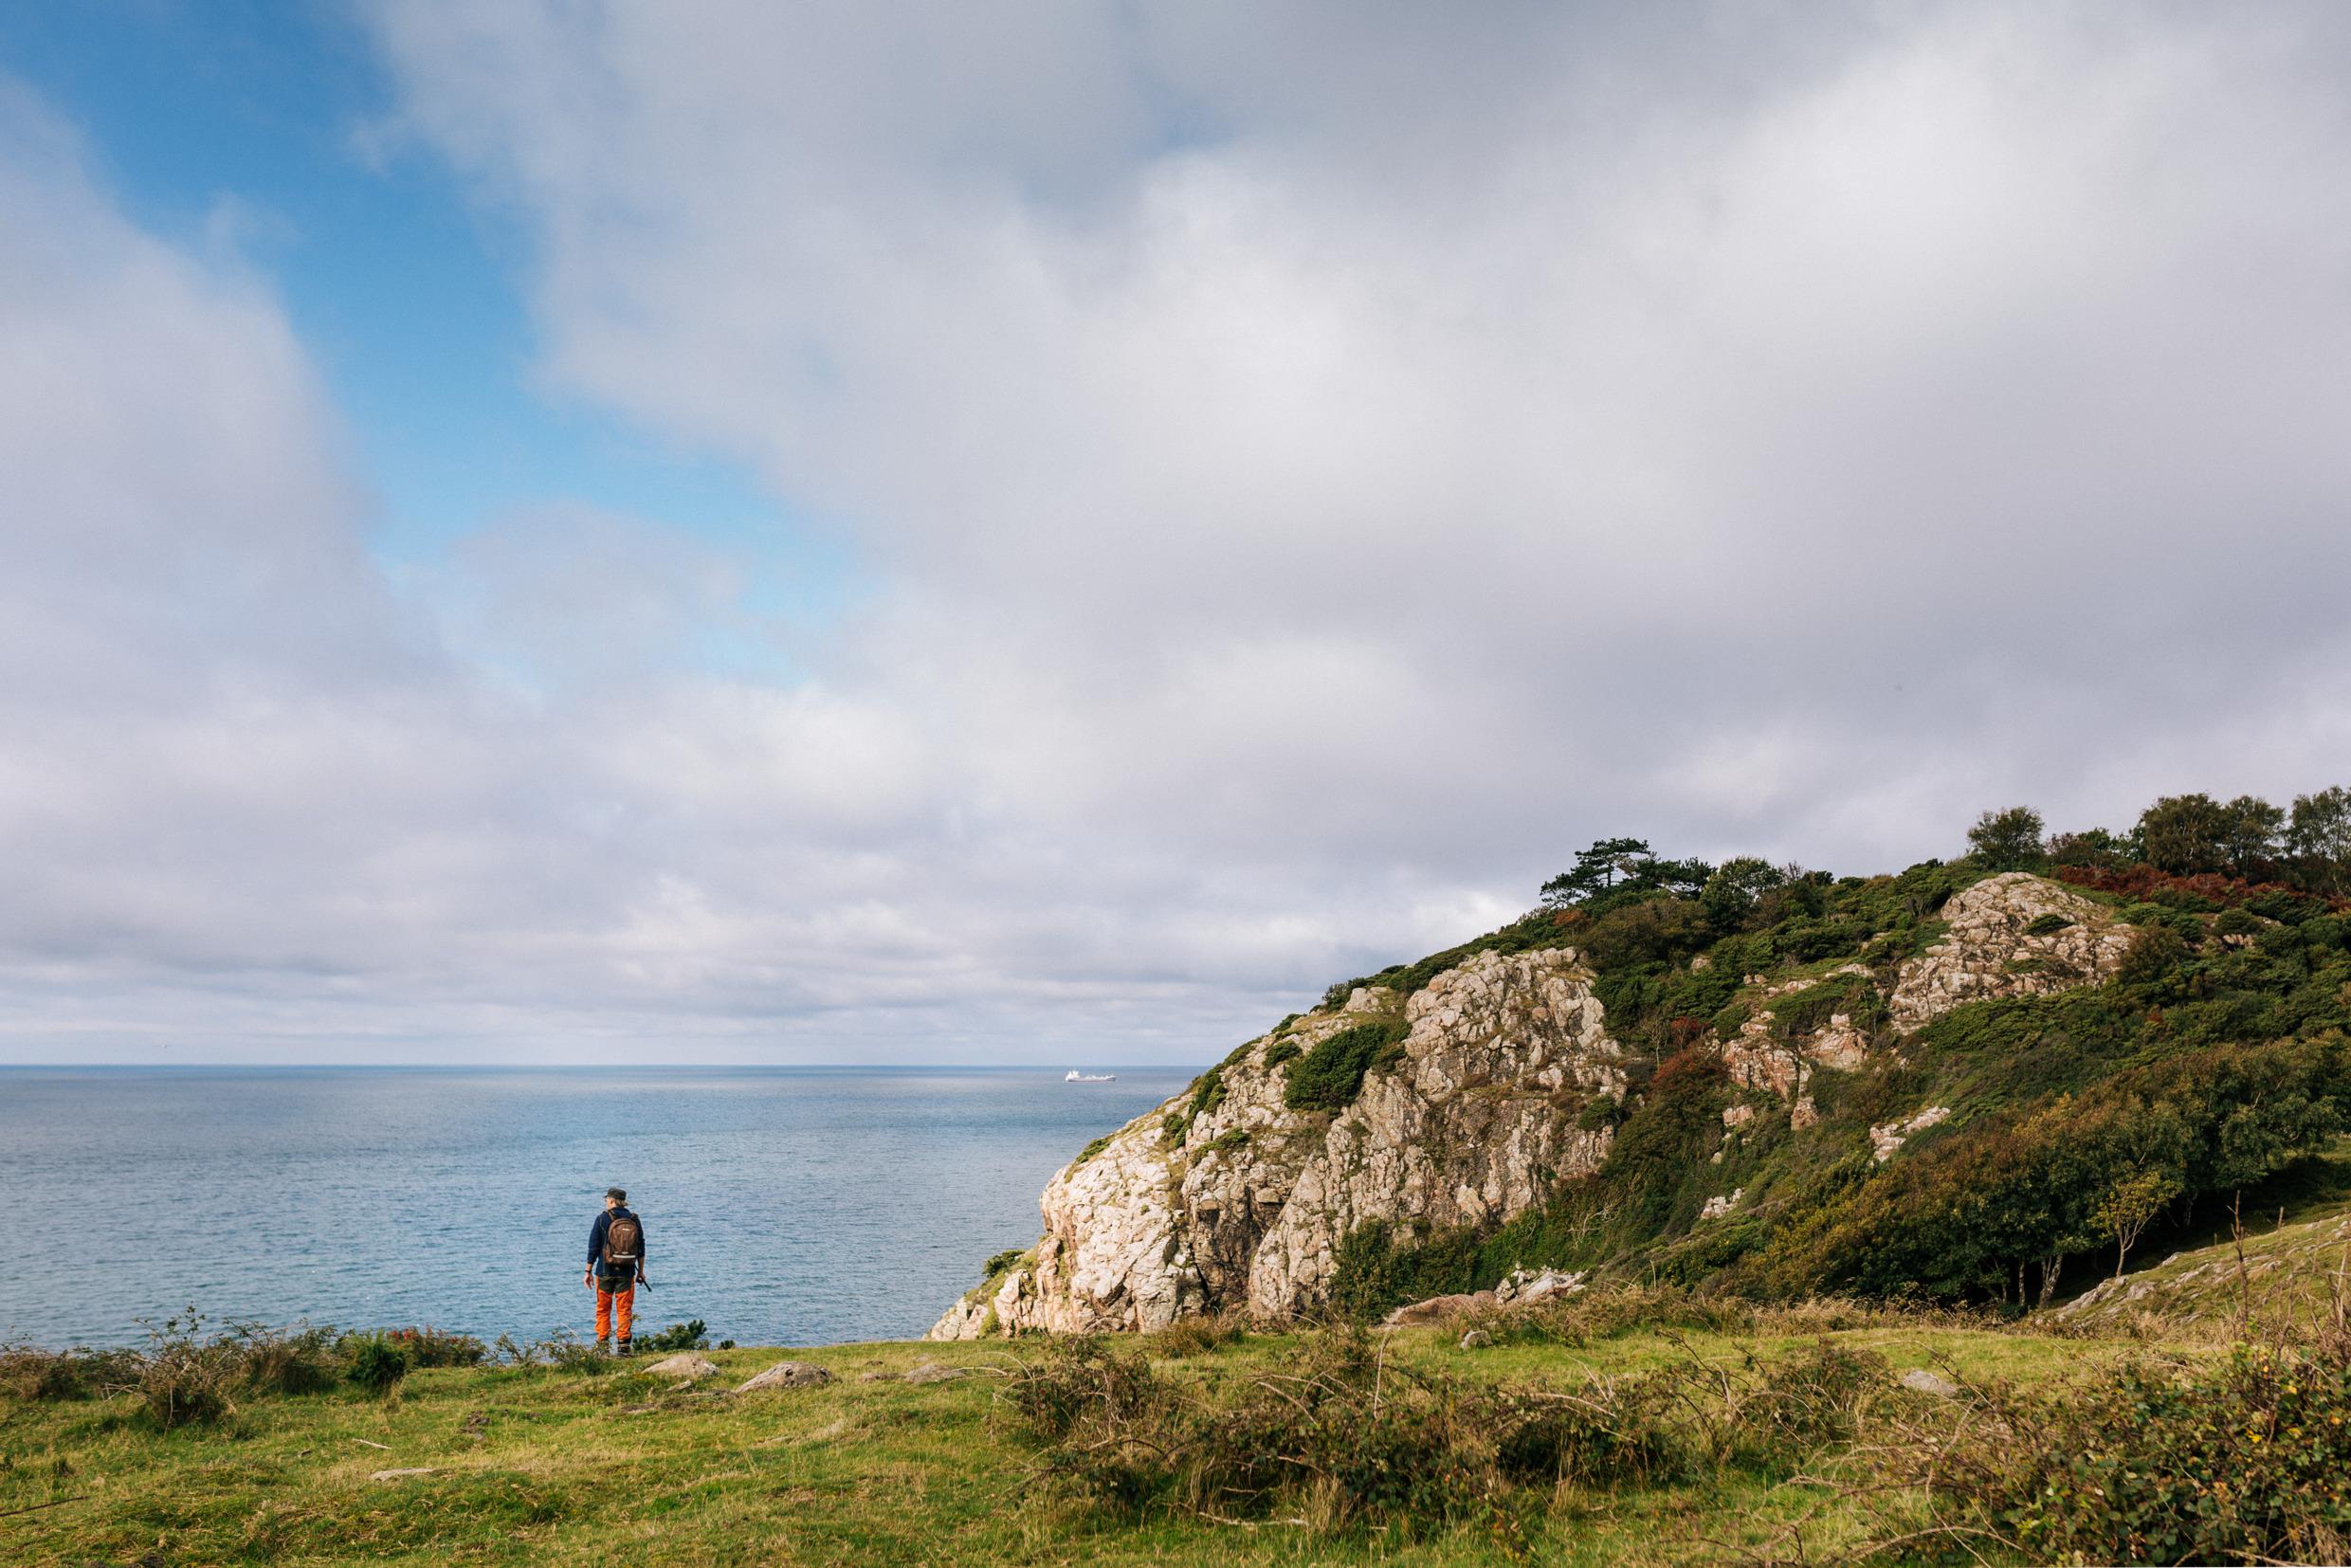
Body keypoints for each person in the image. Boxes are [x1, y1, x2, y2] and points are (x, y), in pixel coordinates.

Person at [584, 1186, 649, 1355]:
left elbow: (593, 1247)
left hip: (604, 1272)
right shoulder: (634, 1219)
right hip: (627, 1273)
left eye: (607, 1199)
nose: (606, 1202)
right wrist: (641, 1271)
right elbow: (640, 1248)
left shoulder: (602, 1219)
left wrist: (587, 1271)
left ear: (612, 1200)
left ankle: (603, 1347)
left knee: (603, 1309)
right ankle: (623, 1348)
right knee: (624, 1309)